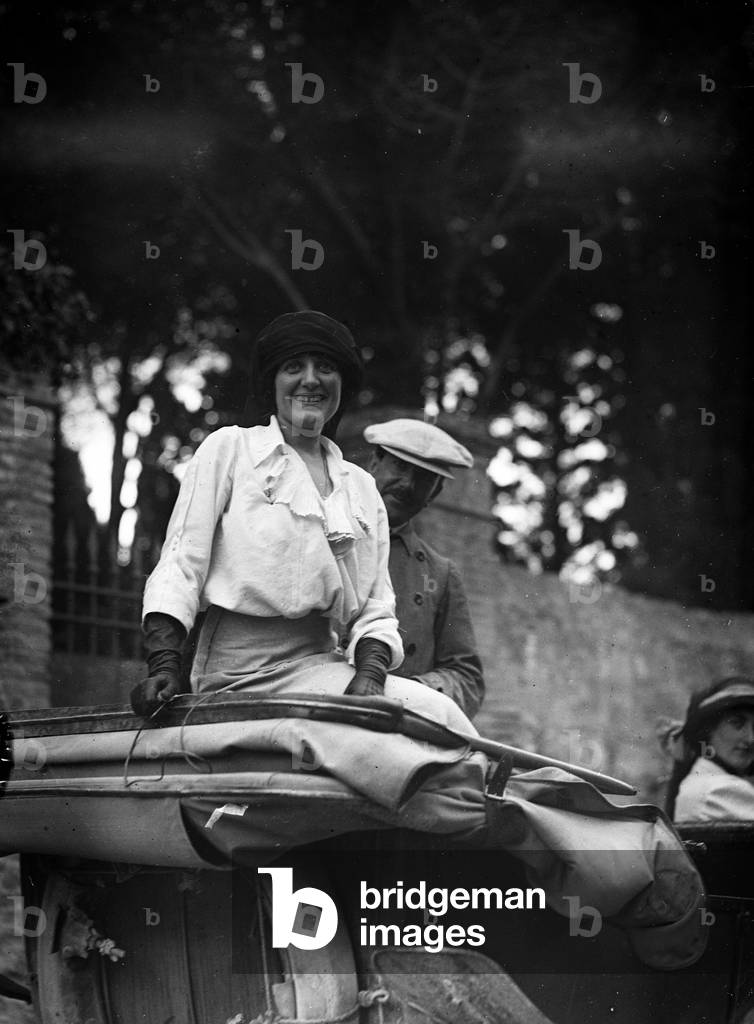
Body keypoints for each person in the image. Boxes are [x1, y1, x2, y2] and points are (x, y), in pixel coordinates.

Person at [132, 310, 706, 972]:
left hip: (314, 673)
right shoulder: (229, 451)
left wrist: (372, 685)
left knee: (442, 721)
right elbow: (181, 563)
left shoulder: (357, 492)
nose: (311, 381)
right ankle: (613, 869)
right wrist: (164, 661)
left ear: (343, 386)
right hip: (233, 675)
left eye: (327, 369)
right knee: (415, 761)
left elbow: (376, 610)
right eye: (295, 367)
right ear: (273, 381)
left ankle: (619, 845)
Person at [364, 418, 484, 719]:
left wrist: (411, 692)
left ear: (436, 492)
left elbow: (467, 679)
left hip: (396, 721)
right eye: (400, 467)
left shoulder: (439, 573)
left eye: (424, 478)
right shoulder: (322, 535)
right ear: (374, 463)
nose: (408, 485)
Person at [660, 677, 754, 823]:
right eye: (737, 723)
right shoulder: (720, 790)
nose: (750, 739)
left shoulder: (702, 782)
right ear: (709, 730)